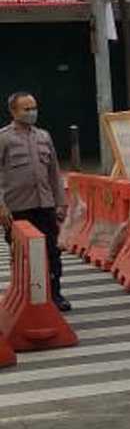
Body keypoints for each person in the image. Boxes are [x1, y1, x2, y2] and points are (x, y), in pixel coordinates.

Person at [0, 92, 70, 311]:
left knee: (52, 252)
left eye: (34, 108)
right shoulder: (4, 138)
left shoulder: (44, 137)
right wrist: (1, 207)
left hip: (45, 206)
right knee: (22, 256)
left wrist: (60, 203)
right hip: (18, 209)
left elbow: (54, 172)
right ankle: (25, 296)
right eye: (26, 109)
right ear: (13, 111)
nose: (32, 113)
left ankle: (55, 294)